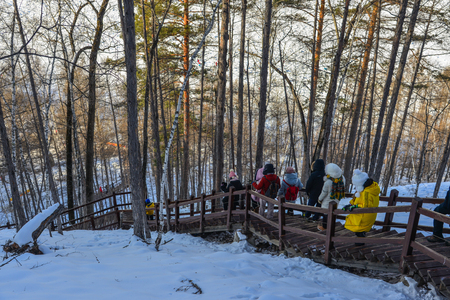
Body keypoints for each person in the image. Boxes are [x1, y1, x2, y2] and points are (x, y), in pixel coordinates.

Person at [344, 169, 380, 246]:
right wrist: (351, 204)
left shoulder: (366, 192)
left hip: (364, 215)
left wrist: (355, 206)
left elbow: (366, 206)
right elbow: (358, 200)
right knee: (358, 228)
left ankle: (360, 242)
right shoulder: (368, 188)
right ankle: (360, 239)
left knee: (358, 227)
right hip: (367, 214)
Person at [317, 163, 345, 231]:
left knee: (326, 214)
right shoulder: (342, 179)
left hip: (328, 201)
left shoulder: (328, 181)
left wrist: (319, 199)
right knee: (332, 214)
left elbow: (324, 193)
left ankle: (325, 228)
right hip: (336, 200)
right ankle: (331, 227)